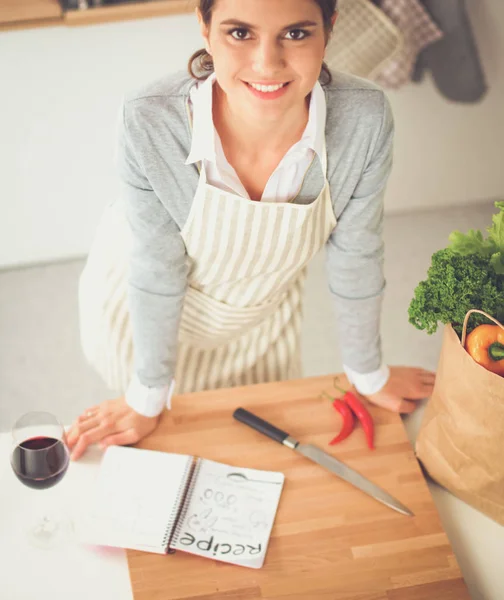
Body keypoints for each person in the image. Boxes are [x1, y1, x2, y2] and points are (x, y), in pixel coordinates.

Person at [68, 0, 435, 461]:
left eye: (297, 34)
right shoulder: (149, 118)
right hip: (145, 311)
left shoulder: (366, 119)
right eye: (240, 33)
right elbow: (156, 268)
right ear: (204, 27)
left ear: (330, 28)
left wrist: (367, 373)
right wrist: (147, 395)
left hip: (260, 315)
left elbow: (356, 253)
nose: (268, 63)